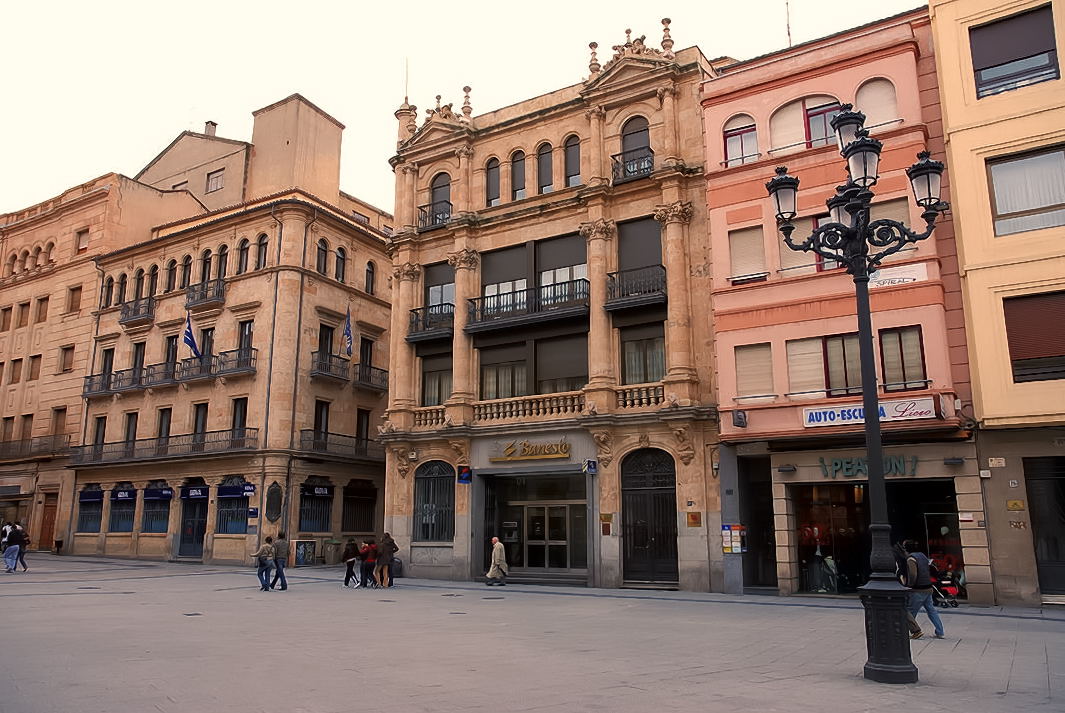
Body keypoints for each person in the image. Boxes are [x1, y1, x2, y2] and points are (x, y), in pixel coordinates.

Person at [904, 540, 945, 639]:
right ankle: (940, 631)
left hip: (918, 589)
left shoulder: (911, 559)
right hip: (928, 587)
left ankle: (912, 631)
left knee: (910, 611)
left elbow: (913, 574)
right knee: (931, 610)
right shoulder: (922, 556)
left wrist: (909, 585)